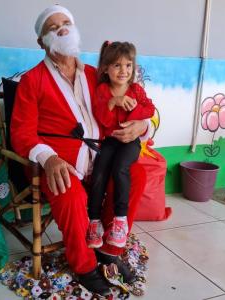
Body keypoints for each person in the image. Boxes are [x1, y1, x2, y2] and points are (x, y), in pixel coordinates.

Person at [11, 5, 149, 295]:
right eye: (52, 26)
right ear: (42, 41)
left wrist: (143, 125)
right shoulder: (32, 80)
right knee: (70, 192)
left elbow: (132, 104)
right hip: (61, 162)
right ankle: (84, 265)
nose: (61, 28)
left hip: (103, 156)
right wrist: (48, 159)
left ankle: (110, 251)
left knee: (135, 175)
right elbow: (21, 133)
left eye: (65, 23)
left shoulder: (94, 74)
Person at [86, 41, 155, 249]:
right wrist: (113, 102)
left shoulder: (136, 90)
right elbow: (103, 119)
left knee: (120, 169)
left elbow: (150, 109)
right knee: (99, 172)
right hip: (109, 141)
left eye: (128, 65)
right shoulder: (103, 90)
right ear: (106, 68)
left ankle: (120, 220)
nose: (123, 70)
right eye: (117, 65)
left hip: (130, 142)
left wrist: (134, 116)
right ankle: (94, 222)